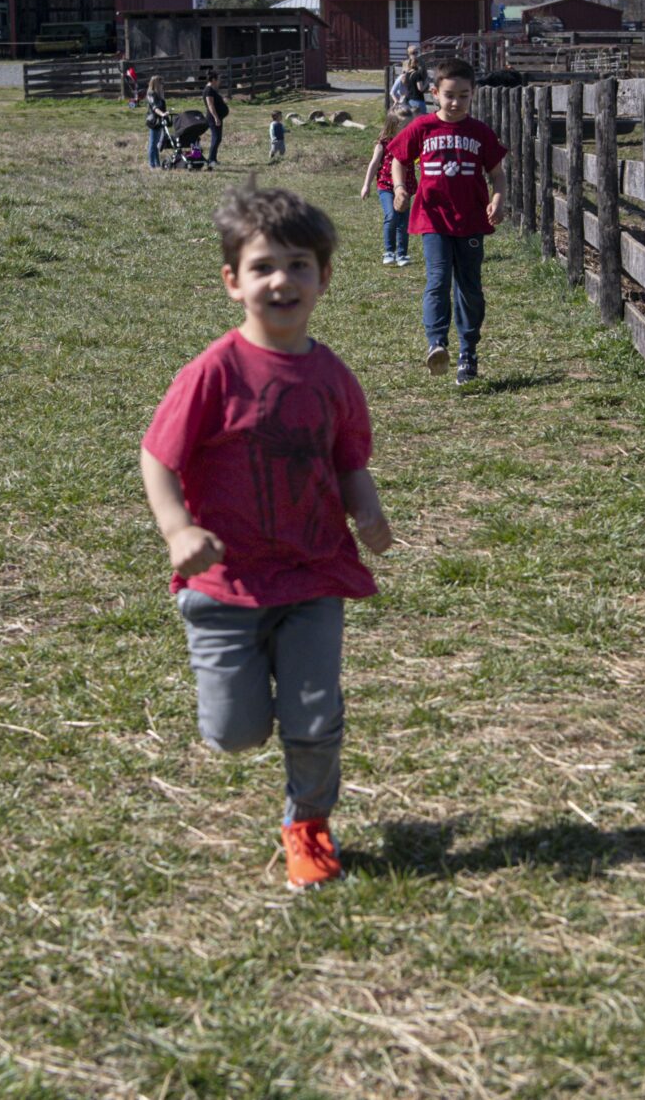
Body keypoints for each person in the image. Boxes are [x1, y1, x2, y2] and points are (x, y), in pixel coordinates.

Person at [140, 187, 393, 892]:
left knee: (314, 714)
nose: (282, 280)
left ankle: (308, 823)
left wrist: (368, 514)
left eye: (299, 265)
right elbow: (157, 456)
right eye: (263, 267)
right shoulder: (213, 372)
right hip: (225, 588)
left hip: (314, 573)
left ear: (324, 278)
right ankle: (248, 698)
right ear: (232, 281)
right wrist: (177, 528)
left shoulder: (334, 376)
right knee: (235, 732)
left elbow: (349, 460)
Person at [387, 58, 506, 384]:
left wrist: (498, 199)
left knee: (469, 287)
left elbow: (497, 175)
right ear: (435, 93)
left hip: (470, 220)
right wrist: (400, 187)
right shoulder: (422, 127)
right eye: (449, 95)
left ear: (473, 94)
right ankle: (436, 344)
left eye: (463, 96)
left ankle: (468, 352)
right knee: (437, 280)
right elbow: (398, 160)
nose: (455, 102)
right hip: (432, 218)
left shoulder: (480, 132)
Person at [358, 110, 411, 267]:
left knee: (403, 220)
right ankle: (389, 251)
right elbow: (374, 164)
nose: (408, 127)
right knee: (391, 215)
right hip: (386, 187)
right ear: (393, 126)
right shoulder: (383, 144)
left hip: (404, 187)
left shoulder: (409, 142)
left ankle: (402, 254)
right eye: (404, 125)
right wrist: (366, 185)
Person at [144, 77, 171, 170]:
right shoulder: (151, 94)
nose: (162, 85)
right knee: (152, 143)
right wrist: (162, 114)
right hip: (154, 121)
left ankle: (157, 163)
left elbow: (162, 106)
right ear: (155, 83)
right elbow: (155, 108)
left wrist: (165, 113)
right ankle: (152, 164)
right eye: (161, 83)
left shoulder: (159, 94)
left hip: (160, 121)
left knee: (156, 143)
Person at [203, 79, 231, 164]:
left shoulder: (212, 89)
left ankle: (213, 159)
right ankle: (211, 159)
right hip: (213, 118)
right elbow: (210, 105)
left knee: (218, 138)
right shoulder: (208, 90)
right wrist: (216, 117)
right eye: (218, 79)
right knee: (216, 138)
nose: (219, 81)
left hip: (217, 117)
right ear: (213, 79)